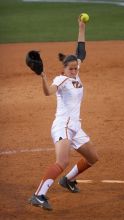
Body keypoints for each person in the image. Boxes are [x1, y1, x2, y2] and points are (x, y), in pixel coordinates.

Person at [28, 16, 98, 211]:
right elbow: (48, 92)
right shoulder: (61, 79)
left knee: (92, 158)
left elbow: (80, 50)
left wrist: (81, 27)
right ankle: (38, 195)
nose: (75, 70)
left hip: (75, 126)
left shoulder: (76, 72)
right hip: (63, 124)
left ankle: (67, 180)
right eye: (71, 68)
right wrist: (42, 76)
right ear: (64, 69)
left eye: (76, 68)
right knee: (63, 161)